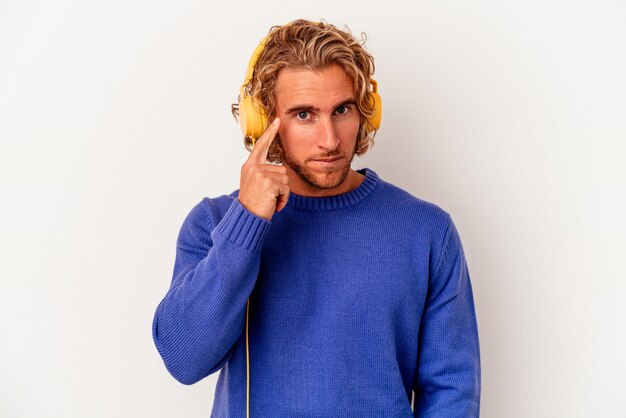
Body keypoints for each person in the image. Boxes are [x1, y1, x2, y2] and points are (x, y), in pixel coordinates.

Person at [152, 19, 480, 417]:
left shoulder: (427, 232)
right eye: (304, 115)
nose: (329, 139)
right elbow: (184, 360)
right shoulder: (216, 223)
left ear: (365, 113)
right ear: (263, 122)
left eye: (341, 110)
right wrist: (247, 223)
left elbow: (452, 392)